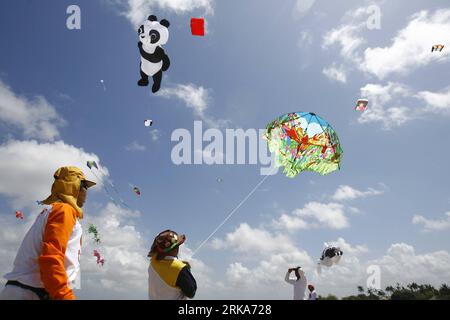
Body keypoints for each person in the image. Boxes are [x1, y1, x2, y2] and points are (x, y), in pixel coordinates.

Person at [0, 166, 95, 300]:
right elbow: (51, 258)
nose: (86, 192)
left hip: (29, 291)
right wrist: (65, 295)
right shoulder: (64, 210)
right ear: (73, 185)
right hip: (32, 293)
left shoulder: (52, 211)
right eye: (84, 186)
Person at [147, 229, 197, 300]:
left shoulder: (153, 262)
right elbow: (191, 292)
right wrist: (187, 269)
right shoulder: (179, 268)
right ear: (176, 248)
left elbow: (166, 263)